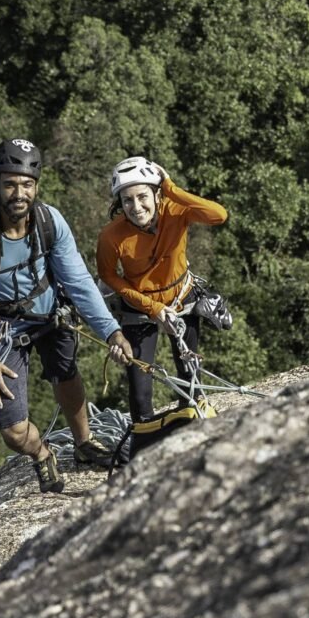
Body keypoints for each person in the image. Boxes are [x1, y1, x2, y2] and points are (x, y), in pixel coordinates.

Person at [0, 138, 133, 493]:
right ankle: (42, 453)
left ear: (37, 186)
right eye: (10, 184)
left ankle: (84, 443)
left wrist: (111, 331)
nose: (20, 193)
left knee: (66, 374)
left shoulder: (49, 221)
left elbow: (78, 281)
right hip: (0, 330)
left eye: (27, 184)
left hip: (49, 315)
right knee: (14, 432)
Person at [96, 157, 228, 436]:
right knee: (140, 388)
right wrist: (152, 307)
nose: (136, 207)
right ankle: (145, 439)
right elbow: (108, 275)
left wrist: (171, 188)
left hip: (181, 298)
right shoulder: (112, 236)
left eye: (143, 196)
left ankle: (194, 430)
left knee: (189, 373)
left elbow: (219, 215)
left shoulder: (176, 210)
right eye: (127, 200)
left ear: (157, 194)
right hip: (139, 306)